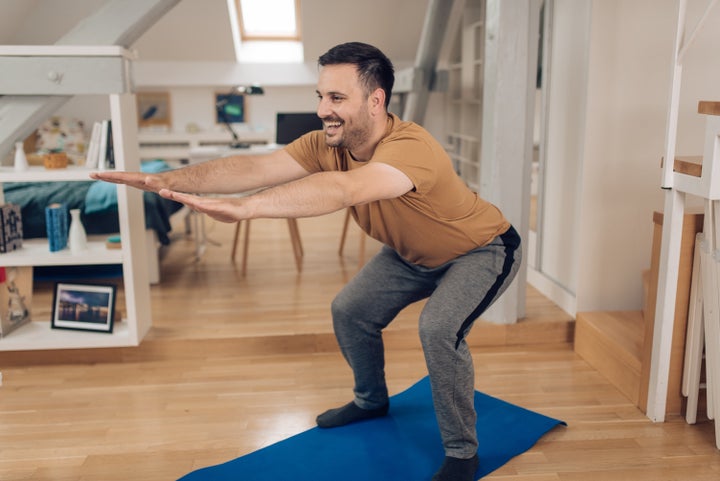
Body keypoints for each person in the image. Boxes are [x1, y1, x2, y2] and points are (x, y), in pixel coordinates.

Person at [92, 41, 521, 481]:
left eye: (336, 98)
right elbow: (256, 168)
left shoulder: (411, 147)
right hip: (412, 255)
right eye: (320, 96)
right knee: (351, 311)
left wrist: (248, 209)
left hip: (480, 250)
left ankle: (462, 452)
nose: (322, 109)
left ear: (376, 101)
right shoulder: (326, 144)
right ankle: (371, 401)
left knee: (438, 328)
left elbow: (345, 190)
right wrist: (165, 179)